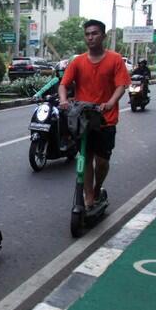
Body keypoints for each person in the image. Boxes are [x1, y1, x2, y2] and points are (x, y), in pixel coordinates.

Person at [58, 19, 130, 210]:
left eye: (95, 33)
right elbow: (64, 84)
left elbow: (121, 85)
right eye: (88, 34)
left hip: (106, 119)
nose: (91, 37)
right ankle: (89, 195)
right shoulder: (78, 61)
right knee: (86, 158)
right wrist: (64, 100)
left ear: (103, 36)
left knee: (102, 161)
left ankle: (98, 188)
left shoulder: (115, 59)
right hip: (84, 119)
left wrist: (110, 103)